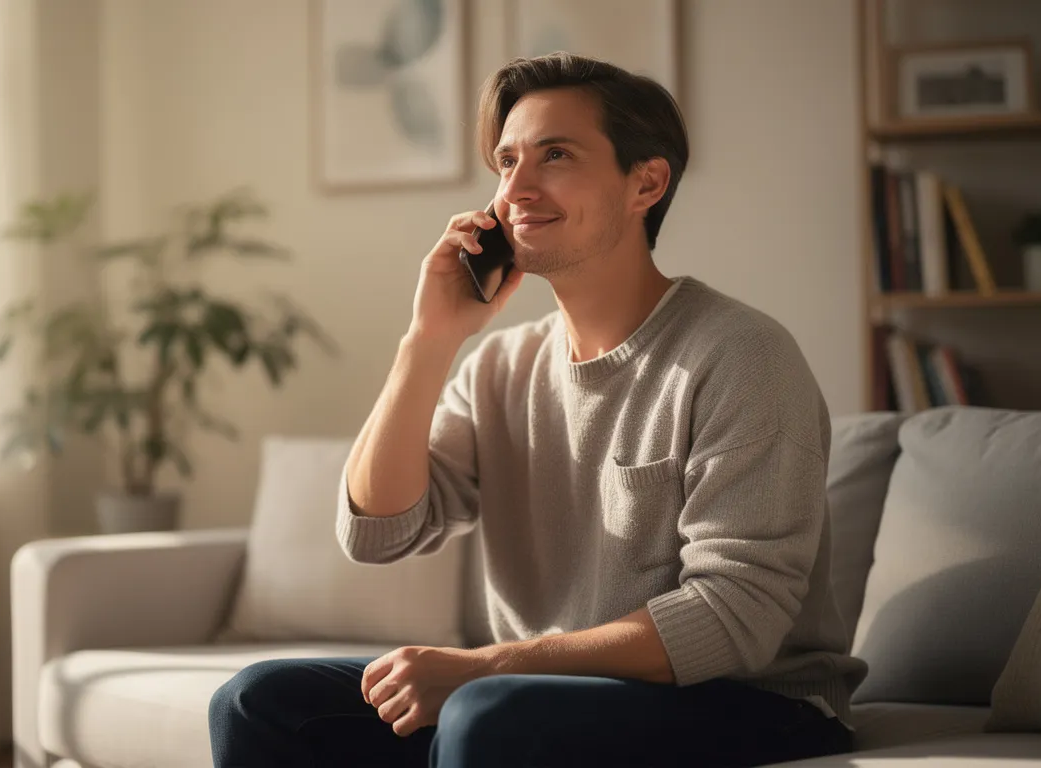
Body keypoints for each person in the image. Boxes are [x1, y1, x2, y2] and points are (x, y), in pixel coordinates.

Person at [209, 52, 865, 767]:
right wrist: (429, 340)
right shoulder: (499, 365)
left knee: (490, 716)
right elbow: (377, 533)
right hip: (543, 694)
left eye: (555, 155)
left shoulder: (741, 355)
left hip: (752, 701)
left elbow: (734, 617)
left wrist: (488, 666)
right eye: (506, 161)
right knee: (260, 700)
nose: (516, 188)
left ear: (646, 182)